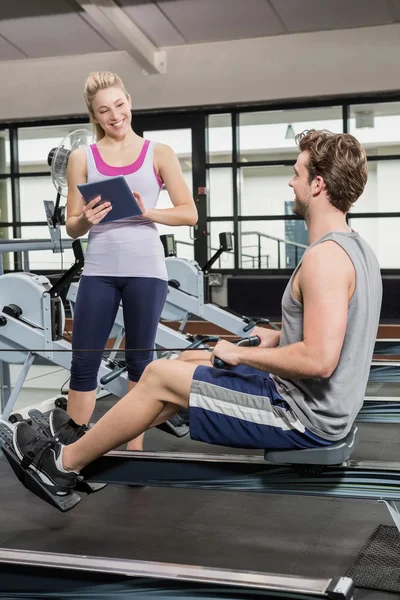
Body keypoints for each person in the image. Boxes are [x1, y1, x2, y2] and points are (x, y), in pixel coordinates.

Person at [11, 129, 382, 497]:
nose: (290, 182)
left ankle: (61, 465)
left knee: (157, 375)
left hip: (300, 416)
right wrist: (278, 338)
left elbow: (319, 359)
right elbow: (331, 335)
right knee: (187, 357)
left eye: (297, 174)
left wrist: (240, 353)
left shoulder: (324, 260)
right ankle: (91, 443)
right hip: (312, 402)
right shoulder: (355, 248)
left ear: (317, 185)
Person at [64, 71, 197, 451]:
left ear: (129, 101)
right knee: (84, 363)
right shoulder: (81, 157)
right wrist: (85, 220)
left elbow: (189, 213)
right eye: (104, 110)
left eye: (119, 105)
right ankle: (73, 454)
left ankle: (132, 449)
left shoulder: (159, 152)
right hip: (100, 270)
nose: (115, 115)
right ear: (94, 115)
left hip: (146, 269)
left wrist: (149, 214)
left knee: (140, 365)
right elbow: (74, 226)